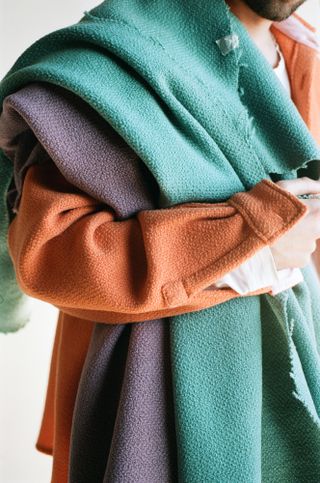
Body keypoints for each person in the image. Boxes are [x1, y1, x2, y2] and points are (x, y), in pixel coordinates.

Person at [1, 0, 320, 481]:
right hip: (154, 398)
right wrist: (252, 243)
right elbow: (50, 253)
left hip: (297, 369)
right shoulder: (123, 57)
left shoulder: (303, 51)